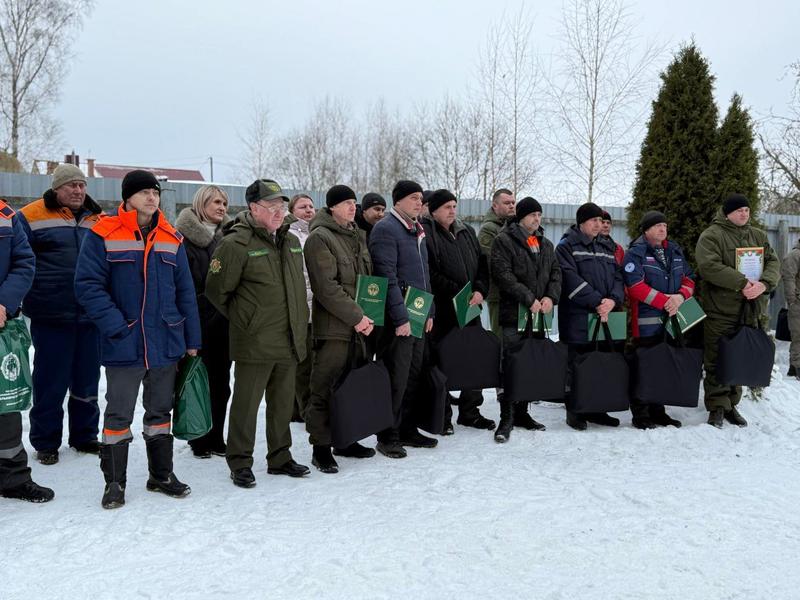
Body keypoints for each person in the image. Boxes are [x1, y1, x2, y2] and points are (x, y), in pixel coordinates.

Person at [75, 170, 201, 509]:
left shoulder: (172, 236)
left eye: (155, 192)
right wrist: (116, 325)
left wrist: (191, 339)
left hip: (165, 342)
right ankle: (114, 483)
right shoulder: (103, 232)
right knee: (118, 416)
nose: (151, 197)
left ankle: (161, 475)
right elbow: (87, 285)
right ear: (127, 197)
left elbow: (186, 293)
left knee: (160, 413)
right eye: (144, 192)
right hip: (124, 341)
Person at [205, 178, 310, 488]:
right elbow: (216, 291)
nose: (279, 211)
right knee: (247, 403)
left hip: (289, 334)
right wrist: (248, 318)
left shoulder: (290, 240)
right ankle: (239, 461)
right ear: (253, 208)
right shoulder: (236, 243)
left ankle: (280, 457)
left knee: (281, 402)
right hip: (255, 338)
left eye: (281, 205)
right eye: (271, 206)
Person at [18, 164, 103, 465]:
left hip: (91, 315)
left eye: (82, 185)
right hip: (51, 313)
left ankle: (85, 436)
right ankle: (46, 441)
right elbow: (18, 260)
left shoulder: (98, 219)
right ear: (57, 189)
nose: (78, 191)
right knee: (50, 382)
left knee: (87, 380)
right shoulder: (30, 216)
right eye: (71, 186)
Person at [304, 185, 376, 473]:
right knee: (324, 387)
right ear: (331, 206)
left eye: (354, 203)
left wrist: (370, 317)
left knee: (351, 387)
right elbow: (326, 288)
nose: (352, 208)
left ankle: (346, 439)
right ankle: (320, 448)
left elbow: (368, 283)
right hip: (334, 328)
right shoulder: (319, 238)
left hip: (360, 328)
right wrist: (357, 316)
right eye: (346, 203)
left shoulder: (358, 236)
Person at [695, 194, 780, 428]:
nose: (745, 214)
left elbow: (773, 262)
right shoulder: (712, 235)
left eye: (747, 210)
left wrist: (764, 284)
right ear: (727, 212)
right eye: (740, 210)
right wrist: (742, 283)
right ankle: (717, 407)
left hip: (751, 308)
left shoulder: (758, 235)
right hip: (721, 308)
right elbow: (708, 266)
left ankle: (732, 405)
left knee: (739, 358)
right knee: (717, 357)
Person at [369, 180, 436, 458]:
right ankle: (387, 434)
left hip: (419, 315)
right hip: (399, 319)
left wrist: (429, 311)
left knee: (412, 375)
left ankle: (407, 427)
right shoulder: (386, 229)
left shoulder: (416, 229)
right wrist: (400, 318)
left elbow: (424, 275)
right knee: (395, 376)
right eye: (413, 198)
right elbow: (388, 276)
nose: (419, 202)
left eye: (421, 198)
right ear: (397, 201)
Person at [422, 189, 495, 433]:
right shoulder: (426, 233)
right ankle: (442, 416)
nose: (452, 210)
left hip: (470, 307)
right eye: (447, 207)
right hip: (442, 309)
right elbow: (429, 271)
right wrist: (457, 292)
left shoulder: (467, 232)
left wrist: (480, 290)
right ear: (433, 210)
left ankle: (470, 412)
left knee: (473, 358)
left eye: (454, 206)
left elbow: (483, 265)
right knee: (442, 361)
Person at [490, 197, 561, 442]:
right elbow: (503, 274)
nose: (537, 219)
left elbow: (555, 273)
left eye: (539, 215)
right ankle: (506, 417)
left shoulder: (545, 243)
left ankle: (523, 413)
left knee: (530, 364)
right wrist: (529, 298)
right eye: (533, 215)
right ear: (521, 216)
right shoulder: (504, 240)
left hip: (539, 315)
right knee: (510, 365)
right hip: (515, 314)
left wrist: (551, 298)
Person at [0, 198, 54, 503]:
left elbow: (24, 261)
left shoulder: (6, 215)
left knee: (6, 401)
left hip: (1, 324)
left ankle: (13, 477)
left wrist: (4, 302)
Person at [556, 202, 625, 431]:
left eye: (601, 221)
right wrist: (597, 301)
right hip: (578, 317)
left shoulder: (606, 248)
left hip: (604, 315)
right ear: (581, 222)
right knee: (578, 365)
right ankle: (575, 410)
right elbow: (569, 279)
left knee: (600, 363)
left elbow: (617, 277)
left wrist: (612, 300)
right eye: (593, 220)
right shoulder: (567, 246)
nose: (598, 225)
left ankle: (597, 408)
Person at [622, 211, 694, 429]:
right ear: (646, 230)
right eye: (657, 226)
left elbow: (689, 279)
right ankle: (641, 413)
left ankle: (658, 410)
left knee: (663, 367)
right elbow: (635, 287)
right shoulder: (635, 254)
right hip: (646, 323)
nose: (663, 229)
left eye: (664, 225)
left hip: (671, 321)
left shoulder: (675, 251)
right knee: (644, 368)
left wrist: (681, 297)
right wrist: (666, 301)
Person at [175, 185, 232, 458]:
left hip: (224, 324)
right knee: (196, 382)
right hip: (196, 323)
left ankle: (217, 436)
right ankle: (198, 437)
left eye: (224, 202)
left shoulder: (231, 238)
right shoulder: (182, 240)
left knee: (222, 384)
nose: (222, 207)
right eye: (216, 202)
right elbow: (182, 287)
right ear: (201, 204)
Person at [285, 193, 316, 423]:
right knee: (303, 362)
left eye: (311, 206)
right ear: (292, 211)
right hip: (299, 307)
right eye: (302, 207)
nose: (308, 210)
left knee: (312, 360)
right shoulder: (289, 235)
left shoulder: (315, 233)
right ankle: (303, 409)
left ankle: (299, 408)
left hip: (316, 305)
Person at [479, 189, 516, 338]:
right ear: (495, 206)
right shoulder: (488, 229)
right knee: (501, 338)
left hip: (518, 293)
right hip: (499, 294)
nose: (512, 206)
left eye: (513, 202)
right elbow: (491, 261)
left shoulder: (517, 226)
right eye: (507, 203)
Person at [780, 238, 800, 379]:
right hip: (798, 302)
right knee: (798, 335)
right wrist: (792, 300)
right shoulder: (794, 255)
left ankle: (794, 367)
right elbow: (788, 278)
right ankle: (796, 366)